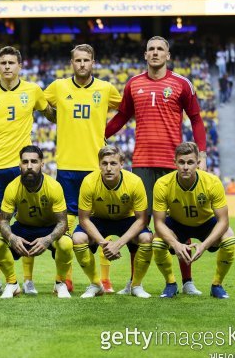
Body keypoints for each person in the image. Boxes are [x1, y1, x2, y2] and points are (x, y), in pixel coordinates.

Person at [105, 36, 208, 296]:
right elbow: (122, 116)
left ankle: (187, 281)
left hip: (172, 164)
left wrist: (202, 153)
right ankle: (133, 282)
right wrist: (101, 135)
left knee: (178, 222)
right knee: (139, 222)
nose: (155, 53)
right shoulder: (133, 83)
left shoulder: (182, 84)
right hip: (141, 163)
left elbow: (196, 119)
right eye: (151, 49)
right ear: (145, 54)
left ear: (168, 55)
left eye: (160, 49)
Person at [0, 46, 55, 296]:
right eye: (3, 63)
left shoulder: (33, 90)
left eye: (11, 63)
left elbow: (51, 115)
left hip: (22, 167)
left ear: (20, 66)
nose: (7, 66)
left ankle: (27, 280)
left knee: (27, 221)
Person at [44, 43, 122, 294]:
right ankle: (64, 278)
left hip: (96, 168)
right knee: (64, 227)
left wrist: (106, 132)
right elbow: (42, 105)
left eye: (86, 60)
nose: (82, 64)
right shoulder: (58, 87)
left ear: (93, 62)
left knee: (100, 223)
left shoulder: (105, 89)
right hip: (66, 166)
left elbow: (125, 111)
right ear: (72, 63)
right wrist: (56, 117)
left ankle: (105, 279)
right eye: (77, 60)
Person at [151, 142, 235, 299]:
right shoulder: (162, 184)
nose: (185, 167)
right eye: (181, 162)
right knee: (156, 241)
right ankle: (170, 284)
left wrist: (203, 246)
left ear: (198, 163)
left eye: (190, 162)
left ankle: (217, 285)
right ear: (174, 162)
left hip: (205, 223)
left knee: (229, 238)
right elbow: (158, 223)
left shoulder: (212, 182)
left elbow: (223, 221)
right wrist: (176, 244)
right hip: (177, 224)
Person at [72, 145, 153, 298]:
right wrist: (104, 244)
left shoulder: (134, 182)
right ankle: (96, 284)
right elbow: (83, 219)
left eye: (113, 163)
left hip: (126, 220)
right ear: (99, 165)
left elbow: (142, 220)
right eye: (105, 163)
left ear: (121, 164)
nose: (109, 168)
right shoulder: (89, 182)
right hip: (99, 219)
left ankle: (136, 285)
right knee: (77, 238)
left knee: (146, 238)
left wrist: (118, 244)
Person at [0, 145, 72, 298]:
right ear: (20, 165)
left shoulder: (54, 187)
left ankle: (60, 283)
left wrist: (48, 239)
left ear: (42, 164)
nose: (29, 166)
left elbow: (62, 222)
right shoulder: (12, 187)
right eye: (25, 162)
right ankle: (12, 284)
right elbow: (3, 221)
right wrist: (11, 237)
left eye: (34, 162)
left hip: (48, 228)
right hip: (22, 228)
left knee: (66, 243)